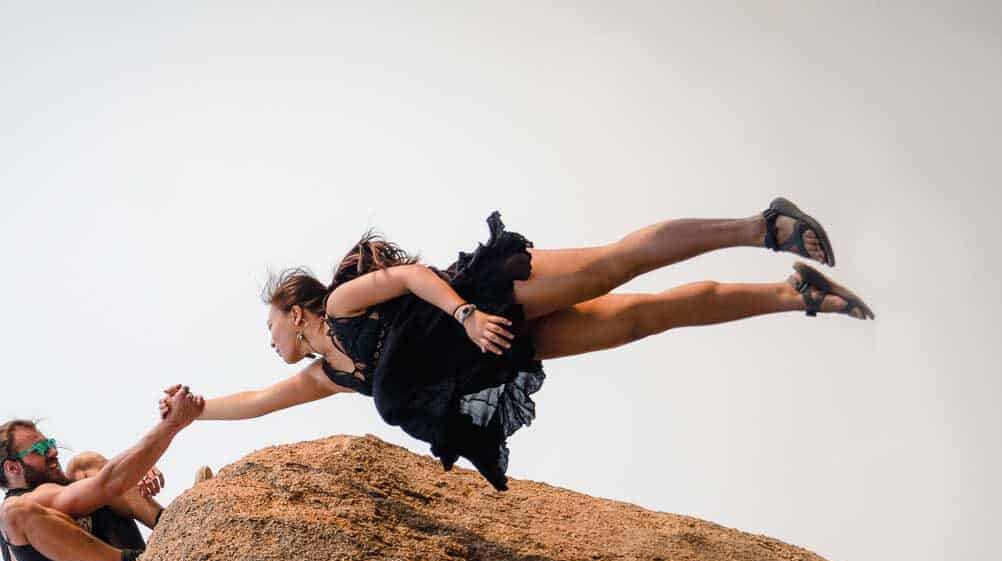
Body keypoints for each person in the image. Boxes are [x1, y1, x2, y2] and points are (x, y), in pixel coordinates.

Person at [190, 199, 874, 490]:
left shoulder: (339, 307)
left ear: (293, 309)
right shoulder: (331, 374)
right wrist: (194, 412)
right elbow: (255, 403)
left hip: (486, 298)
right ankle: (794, 294)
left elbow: (408, 276)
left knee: (612, 266)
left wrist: (462, 315)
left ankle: (762, 226)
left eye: (269, 327)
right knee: (642, 317)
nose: (269, 343)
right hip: (502, 349)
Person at [0, 384, 206, 561]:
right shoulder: (22, 506)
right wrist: (171, 425)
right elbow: (107, 484)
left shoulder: (66, 486)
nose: (53, 452)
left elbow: (107, 481)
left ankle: (176, 527)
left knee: (85, 463)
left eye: (50, 444)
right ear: (12, 468)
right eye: (40, 449)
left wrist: (135, 470)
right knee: (13, 513)